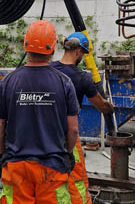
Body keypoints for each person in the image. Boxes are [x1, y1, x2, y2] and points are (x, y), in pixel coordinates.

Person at [0, 20, 81, 204]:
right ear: (53, 48)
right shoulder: (64, 82)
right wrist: (69, 153)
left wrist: (2, 154)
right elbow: (72, 130)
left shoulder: (8, 81)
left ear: (26, 45)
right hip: (52, 168)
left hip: (17, 168)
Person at [50, 32, 114, 204]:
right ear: (78, 51)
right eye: (84, 54)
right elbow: (101, 106)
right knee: (76, 177)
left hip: (46, 133)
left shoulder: (49, 70)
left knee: (50, 175)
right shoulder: (81, 78)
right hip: (68, 133)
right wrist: (110, 106)